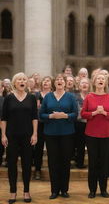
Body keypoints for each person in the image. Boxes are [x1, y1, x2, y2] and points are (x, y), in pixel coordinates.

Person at [40, 74, 78, 199]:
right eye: (57, 80)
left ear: (65, 83)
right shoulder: (47, 97)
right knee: (53, 162)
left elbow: (75, 114)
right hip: (51, 134)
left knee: (65, 162)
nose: (60, 81)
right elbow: (41, 115)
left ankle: (64, 190)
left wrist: (65, 116)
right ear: (54, 83)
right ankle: (54, 190)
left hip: (67, 133)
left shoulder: (71, 97)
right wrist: (51, 116)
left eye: (62, 79)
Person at [1, 72, 38, 203]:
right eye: (19, 79)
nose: (22, 81)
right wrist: (3, 135)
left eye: (24, 79)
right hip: (11, 136)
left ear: (26, 83)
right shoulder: (9, 98)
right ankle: (13, 192)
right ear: (15, 83)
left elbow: (35, 117)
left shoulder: (32, 98)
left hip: (27, 136)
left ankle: (26, 191)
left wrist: (35, 134)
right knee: (12, 165)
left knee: (27, 164)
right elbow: (4, 118)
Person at [81, 72, 109, 198]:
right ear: (94, 82)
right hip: (91, 134)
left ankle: (103, 189)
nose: (100, 80)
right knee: (93, 163)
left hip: (107, 134)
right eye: (98, 79)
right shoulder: (89, 97)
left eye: (103, 79)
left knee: (104, 162)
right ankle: (92, 190)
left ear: (105, 83)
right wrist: (95, 113)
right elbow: (83, 114)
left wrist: (105, 113)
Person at [33, 76, 53, 180]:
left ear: (51, 84)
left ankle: (53, 170)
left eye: (48, 81)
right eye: (44, 80)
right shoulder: (36, 95)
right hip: (39, 124)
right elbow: (35, 110)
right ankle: (37, 170)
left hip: (51, 124)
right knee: (39, 148)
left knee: (52, 149)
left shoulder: (54, 95)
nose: (46, 82)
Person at [74, 77, 91, 168]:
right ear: (79, 86)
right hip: (79, 124)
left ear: (89, 86)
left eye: (86, 83)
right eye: (82, 83)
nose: (84, 85)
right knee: (80, 144)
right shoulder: (74, 96)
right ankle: (79, 163)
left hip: (91, 123)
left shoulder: (92, 96)